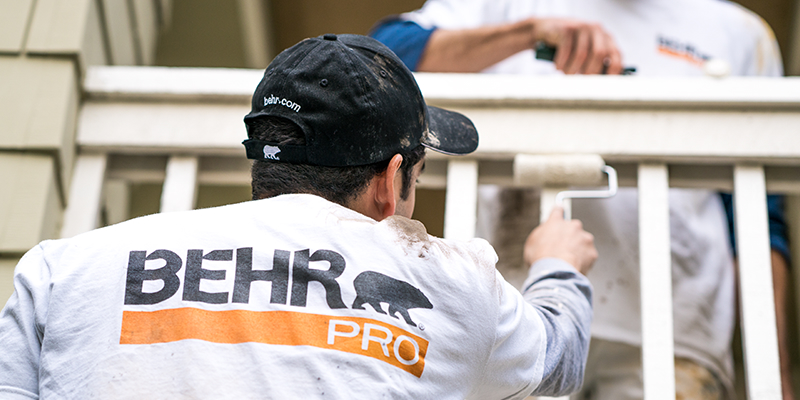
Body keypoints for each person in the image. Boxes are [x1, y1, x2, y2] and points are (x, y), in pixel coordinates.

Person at [0, 34, 599, 399]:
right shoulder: (453, 283)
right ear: (391, 181)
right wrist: (556, 264)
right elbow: (561, 358)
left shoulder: (63, 270)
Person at [370, 1, 792, 399]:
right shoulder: (503, 6)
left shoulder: (740, 33)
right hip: (515, 318)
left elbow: (758, 224)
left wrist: (778, 373)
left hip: (676, 327)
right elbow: (377, 64)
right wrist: (527, 34)